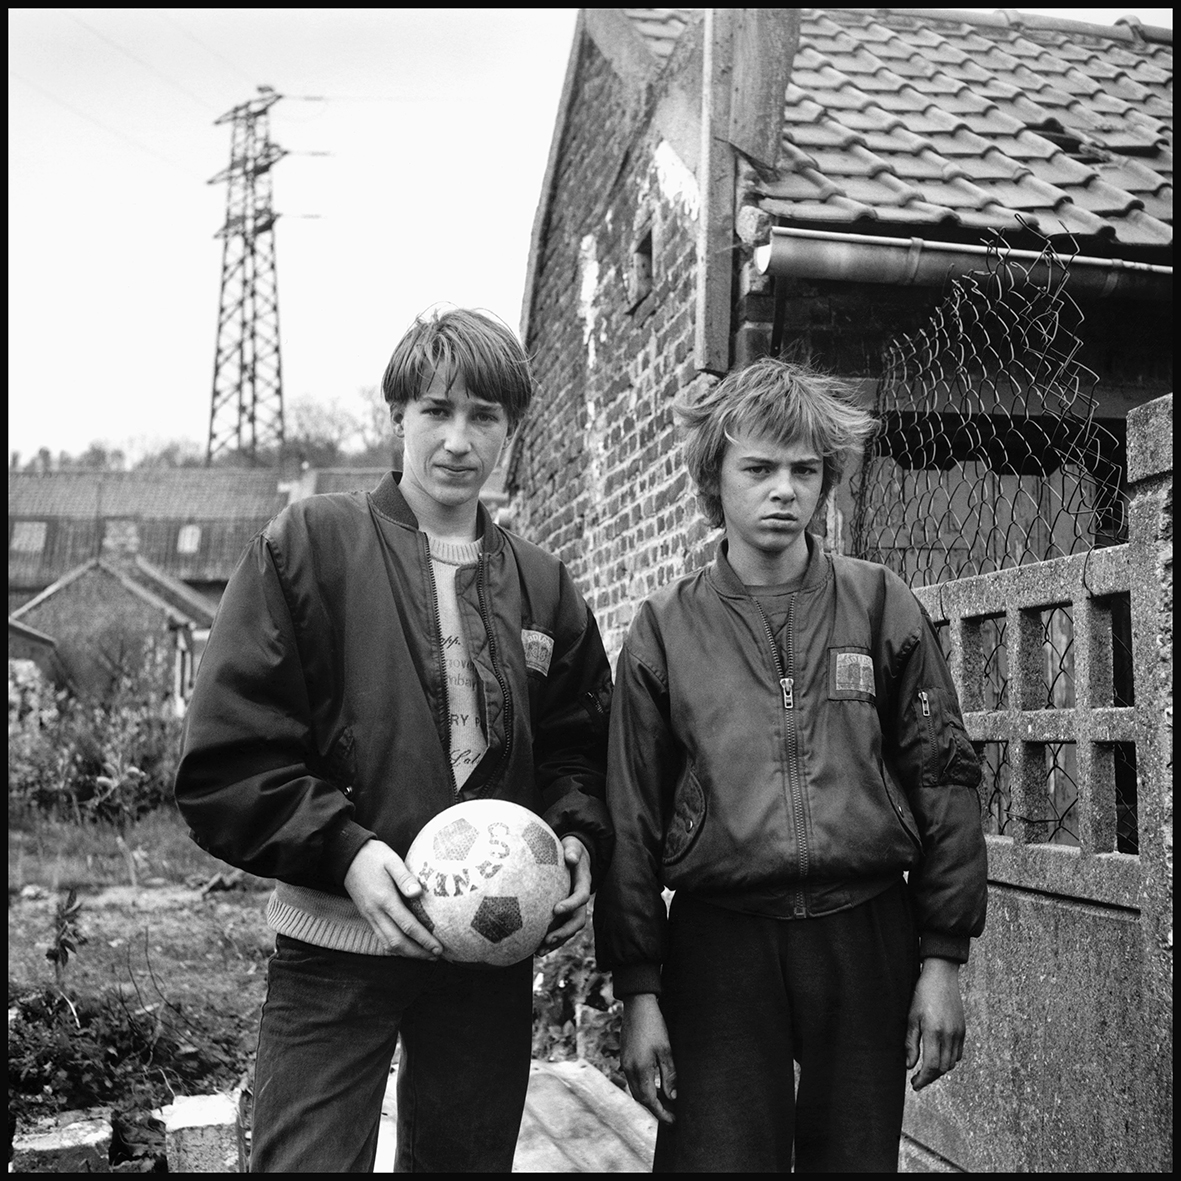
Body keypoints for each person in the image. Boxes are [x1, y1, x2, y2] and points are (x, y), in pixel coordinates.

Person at [174, 308, 613, 1173]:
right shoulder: (309, 544)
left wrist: (575, 835)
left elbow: (578, 748)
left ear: (511, 430)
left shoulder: (544, 585)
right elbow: (230, 756)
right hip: (333, 949)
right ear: (397, 417)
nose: (457, 440)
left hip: (485, 952)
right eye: (436, 411)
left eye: (483, 416)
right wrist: (343, 850)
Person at [593, 356, 987, 1173]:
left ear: (826, 480)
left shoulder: (879, 602)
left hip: (863, 930)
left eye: (803, 470)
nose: (783, 490)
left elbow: (942, 777)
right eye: (758, 468)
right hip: (720, 940)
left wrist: (942, 959)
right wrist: (638, 989)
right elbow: (629, 816)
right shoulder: (663, 629)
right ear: (714, 478)